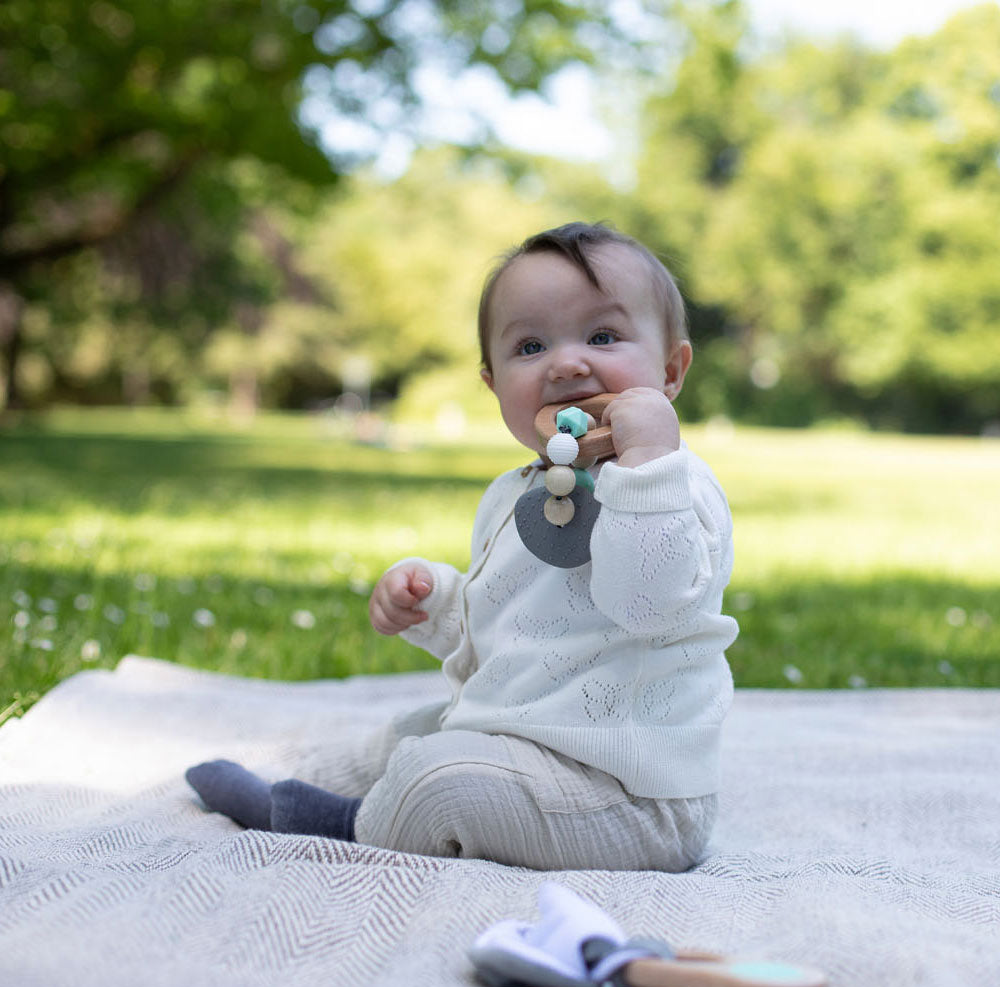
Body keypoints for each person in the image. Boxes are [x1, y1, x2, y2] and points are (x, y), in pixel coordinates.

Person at [187, 221, 738, 872]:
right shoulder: (519, 492)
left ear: (671, 371)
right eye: (531, 345)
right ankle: (304, 780)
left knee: (440, 776)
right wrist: (436, 600)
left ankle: (335, 823)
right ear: (494, 383)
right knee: (414, 731)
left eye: (602, 336)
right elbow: (519, 624)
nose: (566, 362)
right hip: (534, 740)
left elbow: (649, 603)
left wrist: (645, 457)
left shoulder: (672, 486)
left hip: (629, 796)